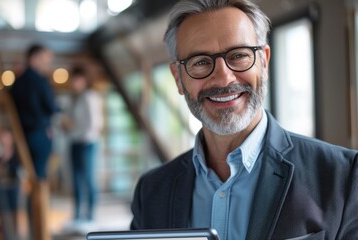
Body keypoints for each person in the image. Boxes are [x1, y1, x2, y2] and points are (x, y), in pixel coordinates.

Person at [130, 0, 358, 239]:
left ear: (264, 62)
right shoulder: (151, 191)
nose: (223, 79)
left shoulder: (342, 176)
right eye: (200, 62)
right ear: (178, 78)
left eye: (238, 55)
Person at [61, 65, 103, 233]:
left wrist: (73, 128)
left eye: (76, 79)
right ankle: (78, 216)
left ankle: (91, 217)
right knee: (77, 181)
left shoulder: (90, 97)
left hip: (87, 143)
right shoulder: (74, 98)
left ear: (84, 80)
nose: (73, 82)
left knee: (89, 180)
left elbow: (94, 124)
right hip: (75, 142)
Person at [9, 44, 58, 179]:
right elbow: (52, 107)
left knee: (28, 173)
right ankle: (39, 200)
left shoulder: (17, 82)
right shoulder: (41, 81)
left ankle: (32, 199)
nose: (47, 63)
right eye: (44, 59)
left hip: (22, 133)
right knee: (40, 175)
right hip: (40, 133)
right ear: (34, 58)